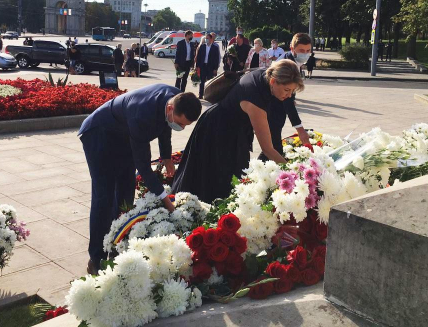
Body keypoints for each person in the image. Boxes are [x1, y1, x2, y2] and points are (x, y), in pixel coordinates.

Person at [79, 87, 202, 273]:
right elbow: (143, 167)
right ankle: (96, 258)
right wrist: (167, 201)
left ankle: (117, 247)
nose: (181, 128)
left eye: (184, 125)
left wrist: (166, 157)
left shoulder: (177, 97)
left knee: (126, 194)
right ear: (170, 109)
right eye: (179, 123)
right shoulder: (142, 116)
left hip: (124, 135)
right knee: (103, 197)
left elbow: (165, 128)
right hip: (99, 135)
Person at [173, 61, 302, 202]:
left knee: (228, 179)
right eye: (287, 90)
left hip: (230, 128)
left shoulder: (266, 75)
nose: (289, 95)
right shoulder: (254, 100)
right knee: (213, 180)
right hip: (218, 131)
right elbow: (267, 149)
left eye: (292, 91)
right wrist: (292, 174)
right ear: (273, 81)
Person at [265, 33, 313, 159]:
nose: (305, 53)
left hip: (277, 105)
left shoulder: (292, 60)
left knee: (273, 147)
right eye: (301, 50)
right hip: (272, 107)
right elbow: (287, 100)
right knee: (274, 149)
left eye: (308, 50)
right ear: (292, 49)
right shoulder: (287, 64)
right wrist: (300, 129)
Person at [195, 32, 221, 99]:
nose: (206, 39)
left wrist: (215, 68)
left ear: (211, 39)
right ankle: (200, 94)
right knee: (202, 81)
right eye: (206, 38)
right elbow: (199, 57)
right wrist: (197, 66)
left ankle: (208, 95)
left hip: (210, 67)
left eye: (207, 38)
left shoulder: (215, 48)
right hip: (203, 66)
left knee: (209, 81)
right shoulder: (202, 46)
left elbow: (216, 59)